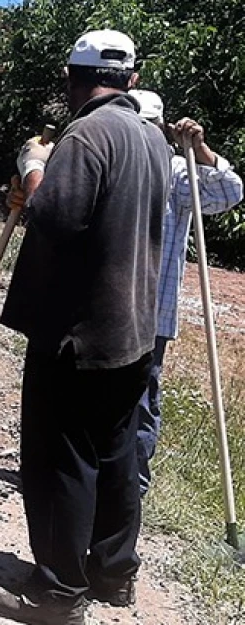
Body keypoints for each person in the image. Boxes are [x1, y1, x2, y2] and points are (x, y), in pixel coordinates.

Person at [0, 30, 172, 625]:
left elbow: (55, 217)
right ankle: (114, 576)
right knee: (114, 455)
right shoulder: (151, 136)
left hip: (80, 332)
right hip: (134, 330)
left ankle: (58, 595)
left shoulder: (86, 135)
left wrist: (34, 167)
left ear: (72, 78)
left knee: (61, 458)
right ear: (131, 80)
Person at [127, 89, 244, 496]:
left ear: (160, 130)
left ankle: (134, 487)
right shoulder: (114, 158)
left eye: (149, 128)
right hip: (105, 306)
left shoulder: (178, 172)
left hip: (151, 314)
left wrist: (200, 150)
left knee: (141, 402)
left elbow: (230, 193)